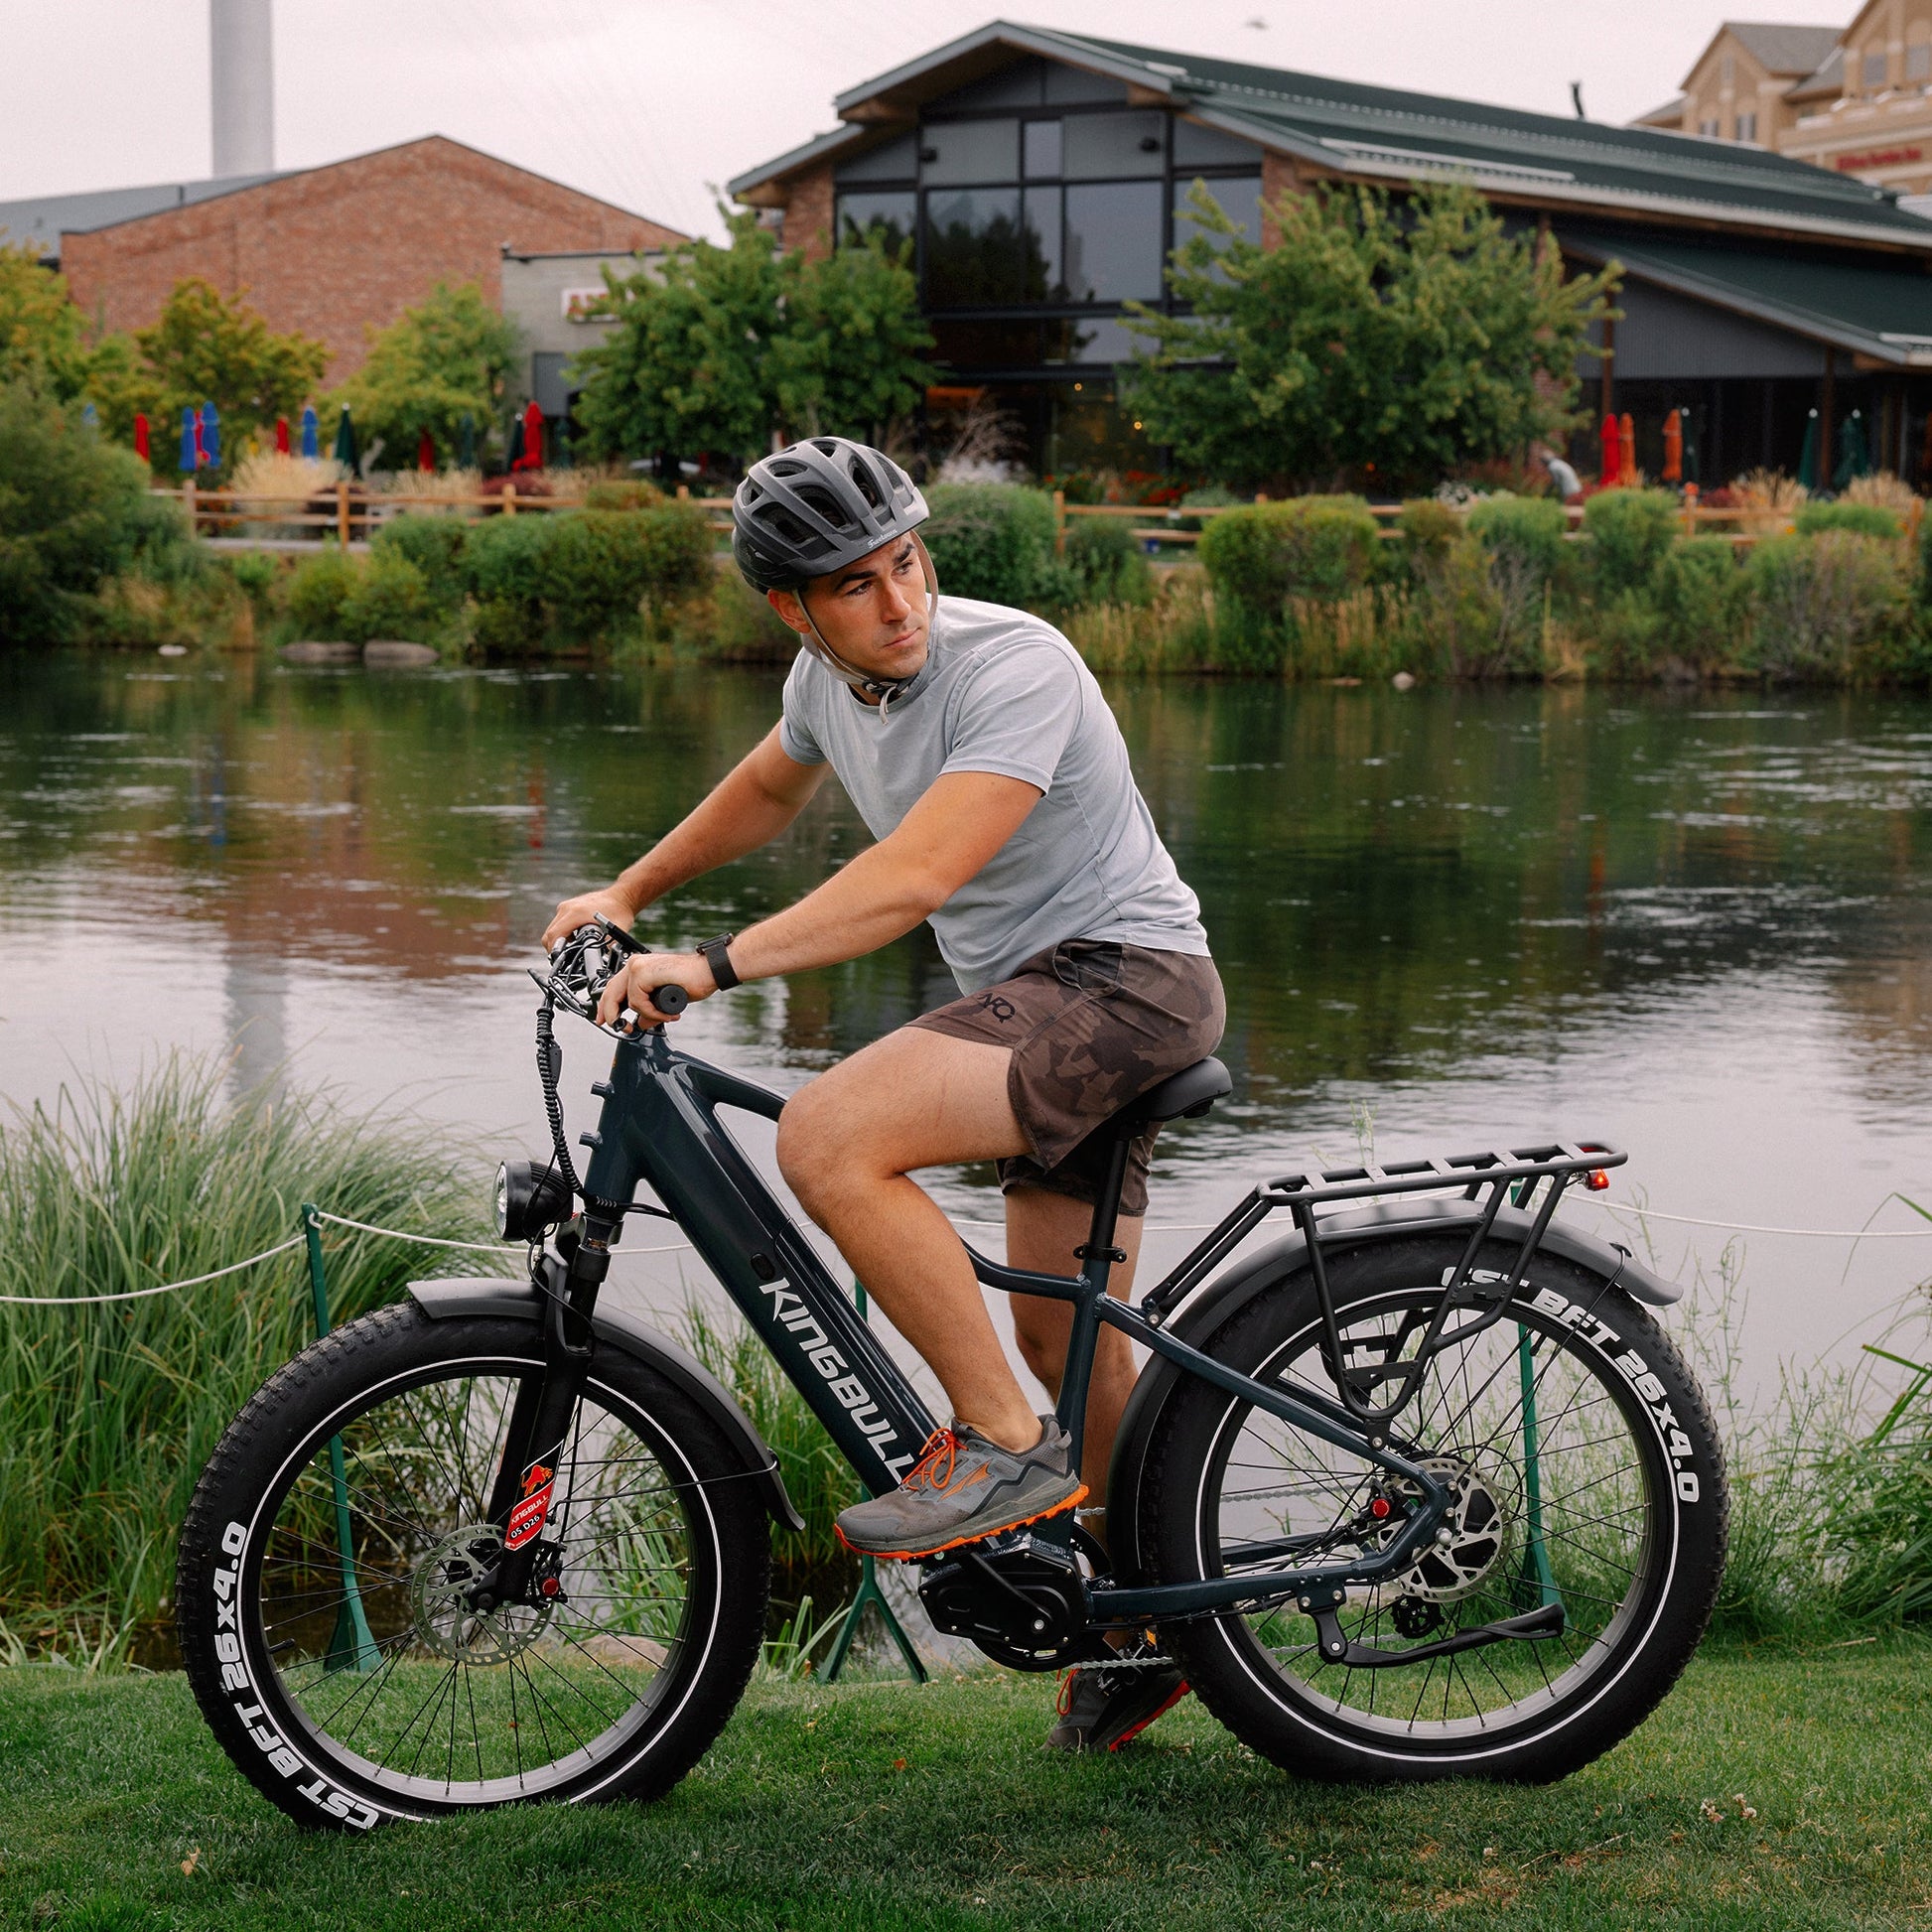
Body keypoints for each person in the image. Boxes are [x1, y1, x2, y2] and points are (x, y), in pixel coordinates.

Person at [543, 436, 1223, 1752]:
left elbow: (915, 875)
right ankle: (1153, 1617)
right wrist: (629, 891)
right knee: (1061, 1337)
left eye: (906, 563)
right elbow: (762, 788)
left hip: (1125, 982)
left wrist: (712, 962)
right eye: (855, 585)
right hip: (1047, 997)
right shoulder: (825, 681)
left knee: (830, 1133)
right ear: (790, 606)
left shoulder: (1013, 662)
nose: (897, 603)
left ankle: (994, 1447)